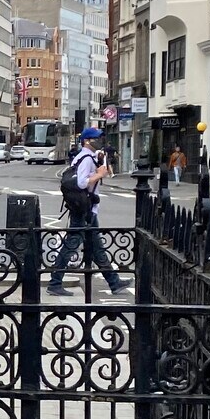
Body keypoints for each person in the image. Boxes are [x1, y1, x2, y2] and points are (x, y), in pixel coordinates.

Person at [49, 127, 129, 297]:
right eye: (95, 138)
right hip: (84, 210)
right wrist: (98, 174)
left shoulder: (88, 156)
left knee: (96, 248)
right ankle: (55, 283)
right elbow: (81, 183)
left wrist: (101, 167)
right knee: (71, 245)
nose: (99, 140)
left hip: (86, 208)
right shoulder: (85, 158)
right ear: (86, 141)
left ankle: (114, 282)